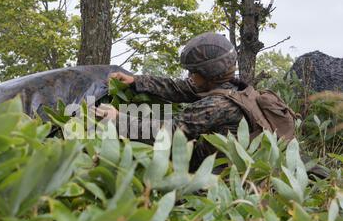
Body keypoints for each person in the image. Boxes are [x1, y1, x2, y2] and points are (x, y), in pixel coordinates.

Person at [96, 32, 296, 171]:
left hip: (220, 180)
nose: (190, 76)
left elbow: (168, 132)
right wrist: (136, 80)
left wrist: (118, 119)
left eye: (194, 72)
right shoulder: (237, 88)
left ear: (209, 73)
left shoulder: (218, 105)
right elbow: (182, 88)